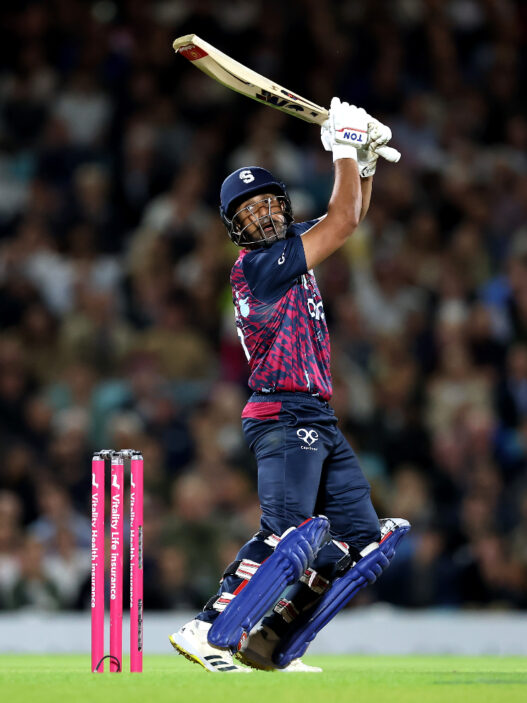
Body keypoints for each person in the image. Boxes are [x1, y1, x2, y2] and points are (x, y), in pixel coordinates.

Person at [169, 98, 409, 673]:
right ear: (236, 228)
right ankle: (203, 628)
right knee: (287, 534)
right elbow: (342, 220)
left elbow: (348, 217)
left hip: (316, 416)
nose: (262, 216)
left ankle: (269, 640)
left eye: (268, 204)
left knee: (360, 542)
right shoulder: (257, 266)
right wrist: (345, 147)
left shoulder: (289, 251)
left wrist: (364, 163)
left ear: (283, 204)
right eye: (248, 212)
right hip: (282, 415)